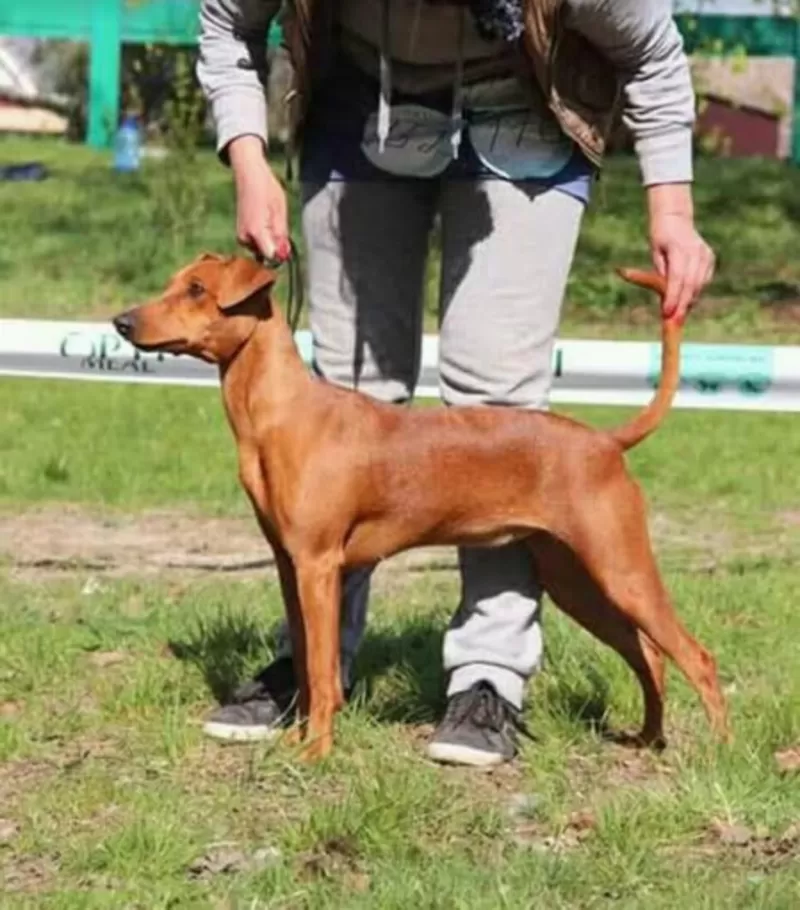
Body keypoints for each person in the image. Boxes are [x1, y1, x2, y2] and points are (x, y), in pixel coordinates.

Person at [196, 0, 715, 767]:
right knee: (343, 393)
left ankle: (489, 678)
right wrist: (246, 155)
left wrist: (672, 207)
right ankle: (314, 669)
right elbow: (225, 22)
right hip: (359, 109)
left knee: (499, 409)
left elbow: (656, 58)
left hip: (527, 113)